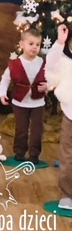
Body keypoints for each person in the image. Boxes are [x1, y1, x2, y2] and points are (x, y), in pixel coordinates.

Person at [0, 28, 46, 165]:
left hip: (38, 103)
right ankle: (19, 152)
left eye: (37, 44)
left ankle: (34, 155)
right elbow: (5, 80)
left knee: (37, 130)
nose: (34, 47)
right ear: (22, 44)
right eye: (31, 44)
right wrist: (2, 94)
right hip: (20, 103)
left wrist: (47, 86)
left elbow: (52, 79)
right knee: (21, 129)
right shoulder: (14, 64)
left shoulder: (43, 63)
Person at [45, 24, 72, 210]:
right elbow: (52, 66)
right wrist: (59, 43)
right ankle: (67, 193)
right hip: (70, 115)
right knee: (67, 155)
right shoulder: (65, 62)